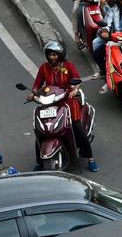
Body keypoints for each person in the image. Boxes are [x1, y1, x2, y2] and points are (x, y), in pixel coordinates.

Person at [30, 40, 99, 172]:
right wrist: (33, 93)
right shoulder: (44, 68)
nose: (52, 57)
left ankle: (90, 158)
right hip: (50, 102)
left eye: (54, 55)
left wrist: (74, 90)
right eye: (50, 55)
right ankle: (39, 161)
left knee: (76, 126)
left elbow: (77, 80)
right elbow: (37, 84)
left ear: (60, 55)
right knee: (42, 128)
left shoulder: (68, 66)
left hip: (68, 100)